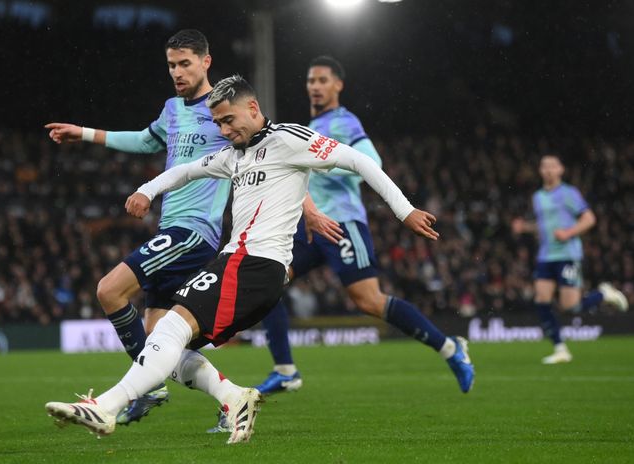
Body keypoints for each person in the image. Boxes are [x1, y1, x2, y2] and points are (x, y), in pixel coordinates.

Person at [44, 75, 454, 444]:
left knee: (168, 331)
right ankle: (232, 396)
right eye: (218, 123)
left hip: (255, 265)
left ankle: (106, 409)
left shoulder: (290, 140)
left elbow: (359, 160)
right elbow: (186, 171)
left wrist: (405, 211)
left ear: (253, 109)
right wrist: (147, 191)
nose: (224, 130)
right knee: (166, 345)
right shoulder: (234, 156)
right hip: (236, 264)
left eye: (228, 120)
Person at [43, 30, 335, 426]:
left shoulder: (224, 110)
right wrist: (85, 133)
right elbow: (145, 141)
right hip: (171, 227)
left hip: (193, 232)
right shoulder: (172, 109)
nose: (177, 73)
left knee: (109, 290)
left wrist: (310, 210)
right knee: (162, 341)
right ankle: (231, 397)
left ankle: (146, 390)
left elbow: (273, 155)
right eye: (171, 65)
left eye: (185, 64)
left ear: (206, 62)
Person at [251, 55, 476, 400]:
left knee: (369, 301)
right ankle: (285, 370)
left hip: (342, 222)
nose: (315, 86)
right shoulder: (311, 127)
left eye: (323, 80)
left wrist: (324, 165)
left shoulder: (344, 121)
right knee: (267, 285)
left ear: (338, 85)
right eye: (311, 81)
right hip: (309, 227)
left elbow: (372, 161)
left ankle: (450, 348)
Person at [512, 155, 627, 364]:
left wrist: (569, 232)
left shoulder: (568, 193)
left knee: (570, 307)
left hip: (567, 254)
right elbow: (544, 225)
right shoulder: (538, 196)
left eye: (552, 166)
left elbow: (589, 218)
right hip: (546, 255)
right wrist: (525, 228)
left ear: (560, 170)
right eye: (544, 166)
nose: (548, 170)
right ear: (540, 171)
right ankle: (560, 348)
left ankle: (603, 294)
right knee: (541, 300)